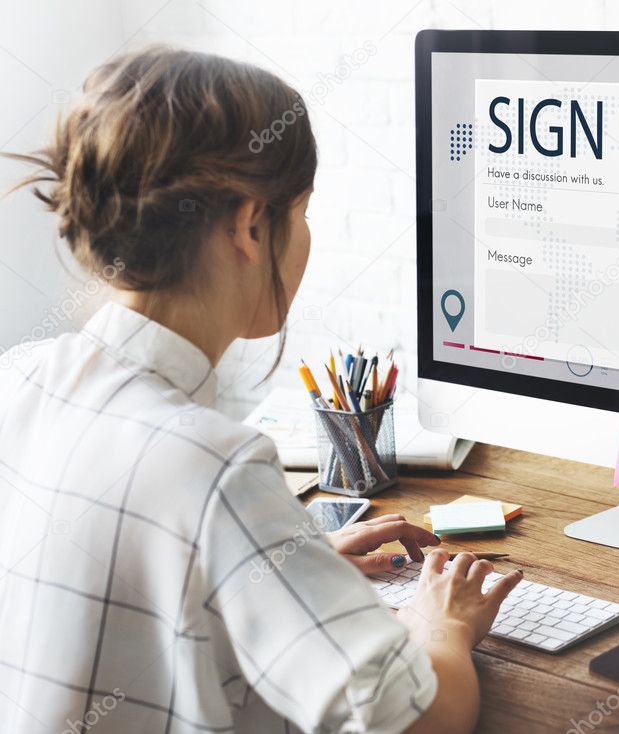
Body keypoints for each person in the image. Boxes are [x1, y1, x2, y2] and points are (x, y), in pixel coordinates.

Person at [0, 46, 520, 734]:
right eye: (300, 213)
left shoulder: (19, 376)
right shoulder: (215, 464)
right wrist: (439, 624)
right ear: (249, 225)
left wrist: (277, 568)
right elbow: (418, 720)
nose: (302, 238)